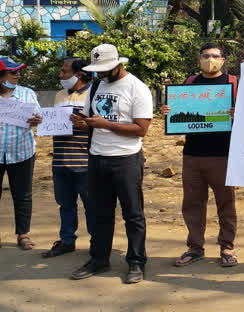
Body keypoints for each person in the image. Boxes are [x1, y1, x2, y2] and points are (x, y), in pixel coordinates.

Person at [70, 44, 153, 284]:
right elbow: (89, 121)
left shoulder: (137, 88)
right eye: (98, 70)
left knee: (133, 214)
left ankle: (136, 263)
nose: (100, 74)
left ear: (119, 64)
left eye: (105, 70)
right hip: (97, 158)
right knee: (100, 214)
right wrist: (81, 123)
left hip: (126, 160)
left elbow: (142, 129)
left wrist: (105, 124)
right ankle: (99, 260)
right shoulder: (96, 86)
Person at [161, 42, 238, 268]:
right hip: (193, 154)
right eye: (205, 55)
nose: (209, 59)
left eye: (214, 55)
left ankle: (227, 247)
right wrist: (169, 112)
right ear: (199, 60)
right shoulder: (190, 84)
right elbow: (179, 115)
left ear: (223, 60)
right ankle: (195, 247)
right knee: (193, 203)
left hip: (223, 154)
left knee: (226, 203)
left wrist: (238, 113)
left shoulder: (233, 84)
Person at [43, 58, 94, 258]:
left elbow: (102, 124)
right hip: (61, 159)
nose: (61, 76)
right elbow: (53, 123)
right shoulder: (59, 95)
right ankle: (66, 240)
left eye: (65, 72)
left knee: (91, 205)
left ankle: (97, 242)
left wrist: (85, 125)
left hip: (85, 161)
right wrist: (43, 121)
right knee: (65, 204)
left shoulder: (93, 93)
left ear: (78, 74)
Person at [0, 56, 41, 250]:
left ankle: (23, 234)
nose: (17, 75)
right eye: (13, 72)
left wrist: (36, 120)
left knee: (23, 194)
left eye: (18, 72)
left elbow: (39, 116)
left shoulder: (27, 94)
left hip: (21, 151)